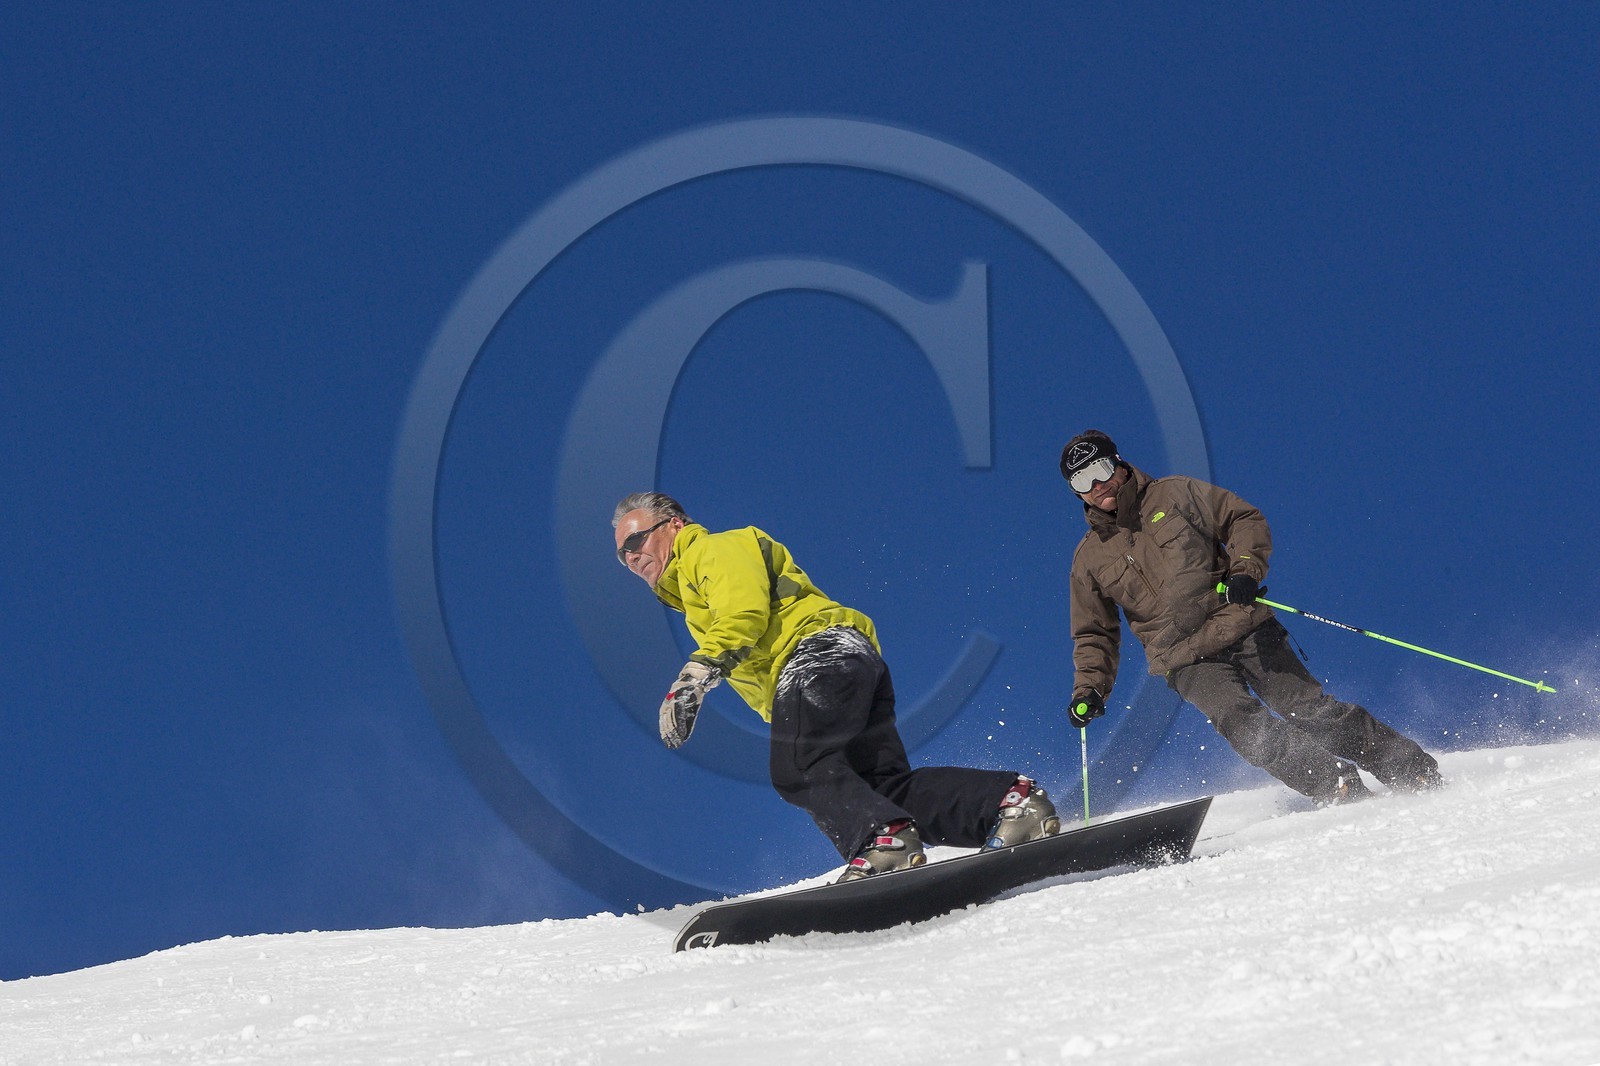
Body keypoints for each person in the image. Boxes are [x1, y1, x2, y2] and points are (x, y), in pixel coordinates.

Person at [612, 491, 1060, 881]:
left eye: (635, 541)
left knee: (799, 766)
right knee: (883, 791)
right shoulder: (691, 594)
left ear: (675, 523)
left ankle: (885, 844)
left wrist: (695, 675)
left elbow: (742, 614)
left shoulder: (714, 550)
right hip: (842, 663)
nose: (631, 557)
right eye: (622, 555)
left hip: (815, 655)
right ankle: (1010, 804)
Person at [1059, 430, 1443, 805]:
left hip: (1240, 622)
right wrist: (1089, 689)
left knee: (1307, 710)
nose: (1098, 485)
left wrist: (1245, 570)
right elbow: (1095, 633)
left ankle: (1408, 767)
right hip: (1183, 657)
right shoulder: (1089, 559)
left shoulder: (1175, 493)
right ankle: (1333, 784)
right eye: (1083, 480)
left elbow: (1243, 520)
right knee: (1241, 724)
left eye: (1102, 470)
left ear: (1120, 464)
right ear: (1076, 492)